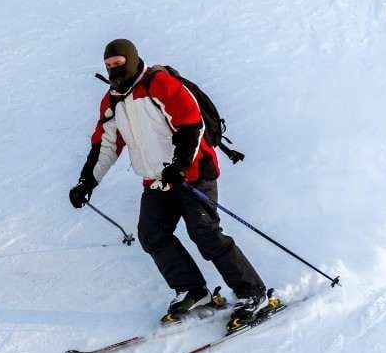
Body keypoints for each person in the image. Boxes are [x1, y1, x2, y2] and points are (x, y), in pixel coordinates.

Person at [69, 38, 268, 322]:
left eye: (119, 63)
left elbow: (191, 123)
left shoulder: (159, 83)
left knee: (205, 233)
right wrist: (86, 182)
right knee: (152, 235)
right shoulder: (113, 100)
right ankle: (192, 290)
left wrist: (180, 165)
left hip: (193, 175)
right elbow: (106, 144)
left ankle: (252, 292)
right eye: (109, 66)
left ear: (133, 58)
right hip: (157, 181)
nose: (114, 70)